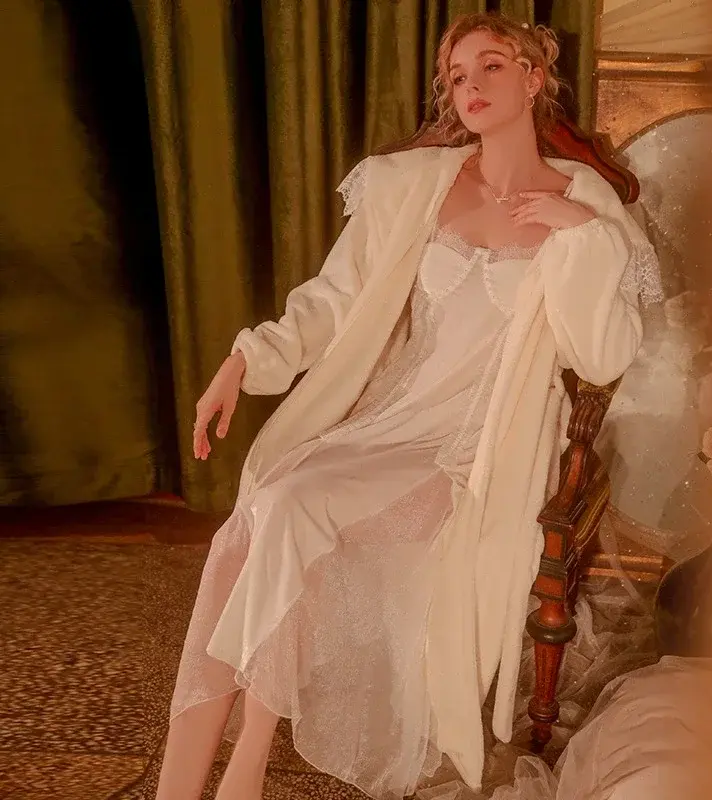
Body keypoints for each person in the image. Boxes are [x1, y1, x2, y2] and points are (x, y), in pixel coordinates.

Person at [154, 12, 661, 800]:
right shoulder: (413, 185)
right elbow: (332, 299)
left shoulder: (585, 203)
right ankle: (199, 773)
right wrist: (246, 358)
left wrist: (581, 236)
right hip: (390, 422)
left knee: (285, 514)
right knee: (261, 519)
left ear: (534, 78)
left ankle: (245, 760)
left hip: (482, 445)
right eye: (456, 76)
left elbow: (604, 355)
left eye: (491, 66)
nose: (471, 86)